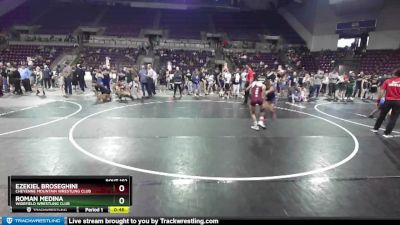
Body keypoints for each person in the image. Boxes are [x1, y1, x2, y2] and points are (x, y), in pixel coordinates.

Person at [371, 69, 400, 138]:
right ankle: (387, 133)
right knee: (393, 118)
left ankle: (375, 129)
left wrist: (378, 100)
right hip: (398, 101)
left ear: (394, 74)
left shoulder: (388, 81)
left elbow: (381, 91)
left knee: (382, 115)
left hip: (388, 100)